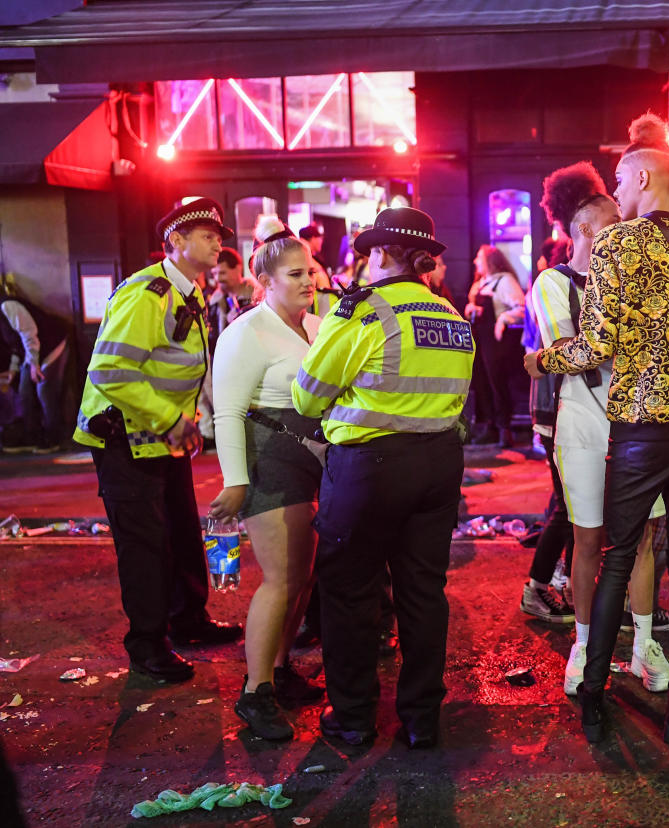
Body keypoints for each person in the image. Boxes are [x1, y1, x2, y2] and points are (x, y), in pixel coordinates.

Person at [525, 113, 669, 744]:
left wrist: (544, 359)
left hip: (642, 426)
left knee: (620, 553)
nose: (616, 195)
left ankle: (593, 692)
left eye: (621, 181)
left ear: (645, 176)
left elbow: (596, 345)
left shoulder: (619, 246)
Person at [293, 207, 472, 749]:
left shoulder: (364, 312)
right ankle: (421, 720)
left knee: (350, 594)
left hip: (368, 470)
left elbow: (306, 395)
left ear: (380, 254)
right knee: (423, 592)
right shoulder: (450, 315)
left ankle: (352, 718)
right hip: (439, 467)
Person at [74, 197, 242, 684]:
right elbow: (110, 370)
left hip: (160, 438)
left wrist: (186, 422)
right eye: (207, 235)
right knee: (145, 545)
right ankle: (147, 645)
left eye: (218, 236)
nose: (217, 243)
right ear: (176, 242)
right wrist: (171, 419)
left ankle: (188, 620)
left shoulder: (185, 292)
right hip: (124, 440)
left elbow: (175, 369)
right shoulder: (148, 292)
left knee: (182, 533)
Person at [528, 161, 669, 694]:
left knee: (641, 541)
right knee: (588, 539)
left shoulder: (636, 280)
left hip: (638, 425)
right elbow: (570, 351)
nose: (627, 227)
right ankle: (585, 645)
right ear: (586, 230)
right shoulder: (552, 282)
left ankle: (642, 645)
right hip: (585, 426)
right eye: (615, 221)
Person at [208, 217, 325, 740]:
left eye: (311, 272)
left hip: (311, 457)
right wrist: (235, 481)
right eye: (296, 274)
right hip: (267, 458)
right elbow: (227, 412)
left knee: (300, 575)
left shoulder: (317, 325)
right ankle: (254, 693)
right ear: (266, 280)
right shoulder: (245, 333)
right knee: (279, 578)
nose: (309, 281)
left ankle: (278, 671)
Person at [465, 245, 526, 447]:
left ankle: (504, 430)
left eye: (479, 257)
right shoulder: (481, 283)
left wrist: (503, 319)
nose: (475, 261)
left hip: (496, 342)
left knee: (497, 383)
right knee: (482, 383)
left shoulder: (504, 281)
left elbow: (521, 307)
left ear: (489, 261)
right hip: (480, 339)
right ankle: (489, 426)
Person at [0, 284, 70, 452]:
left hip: (51, 343)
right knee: (25, 393)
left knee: (44, 390)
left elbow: (29, 333)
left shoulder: (6, 306)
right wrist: (13, 369)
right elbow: (15, 342)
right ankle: (33, 436)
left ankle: (54, 438)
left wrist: (34, 364)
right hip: (35, 349)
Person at [207, 248, 263, 350]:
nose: (217, 278)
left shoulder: (256, 296)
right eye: (214, 273)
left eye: (222, 273)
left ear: (238, 269)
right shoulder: (213, 302)